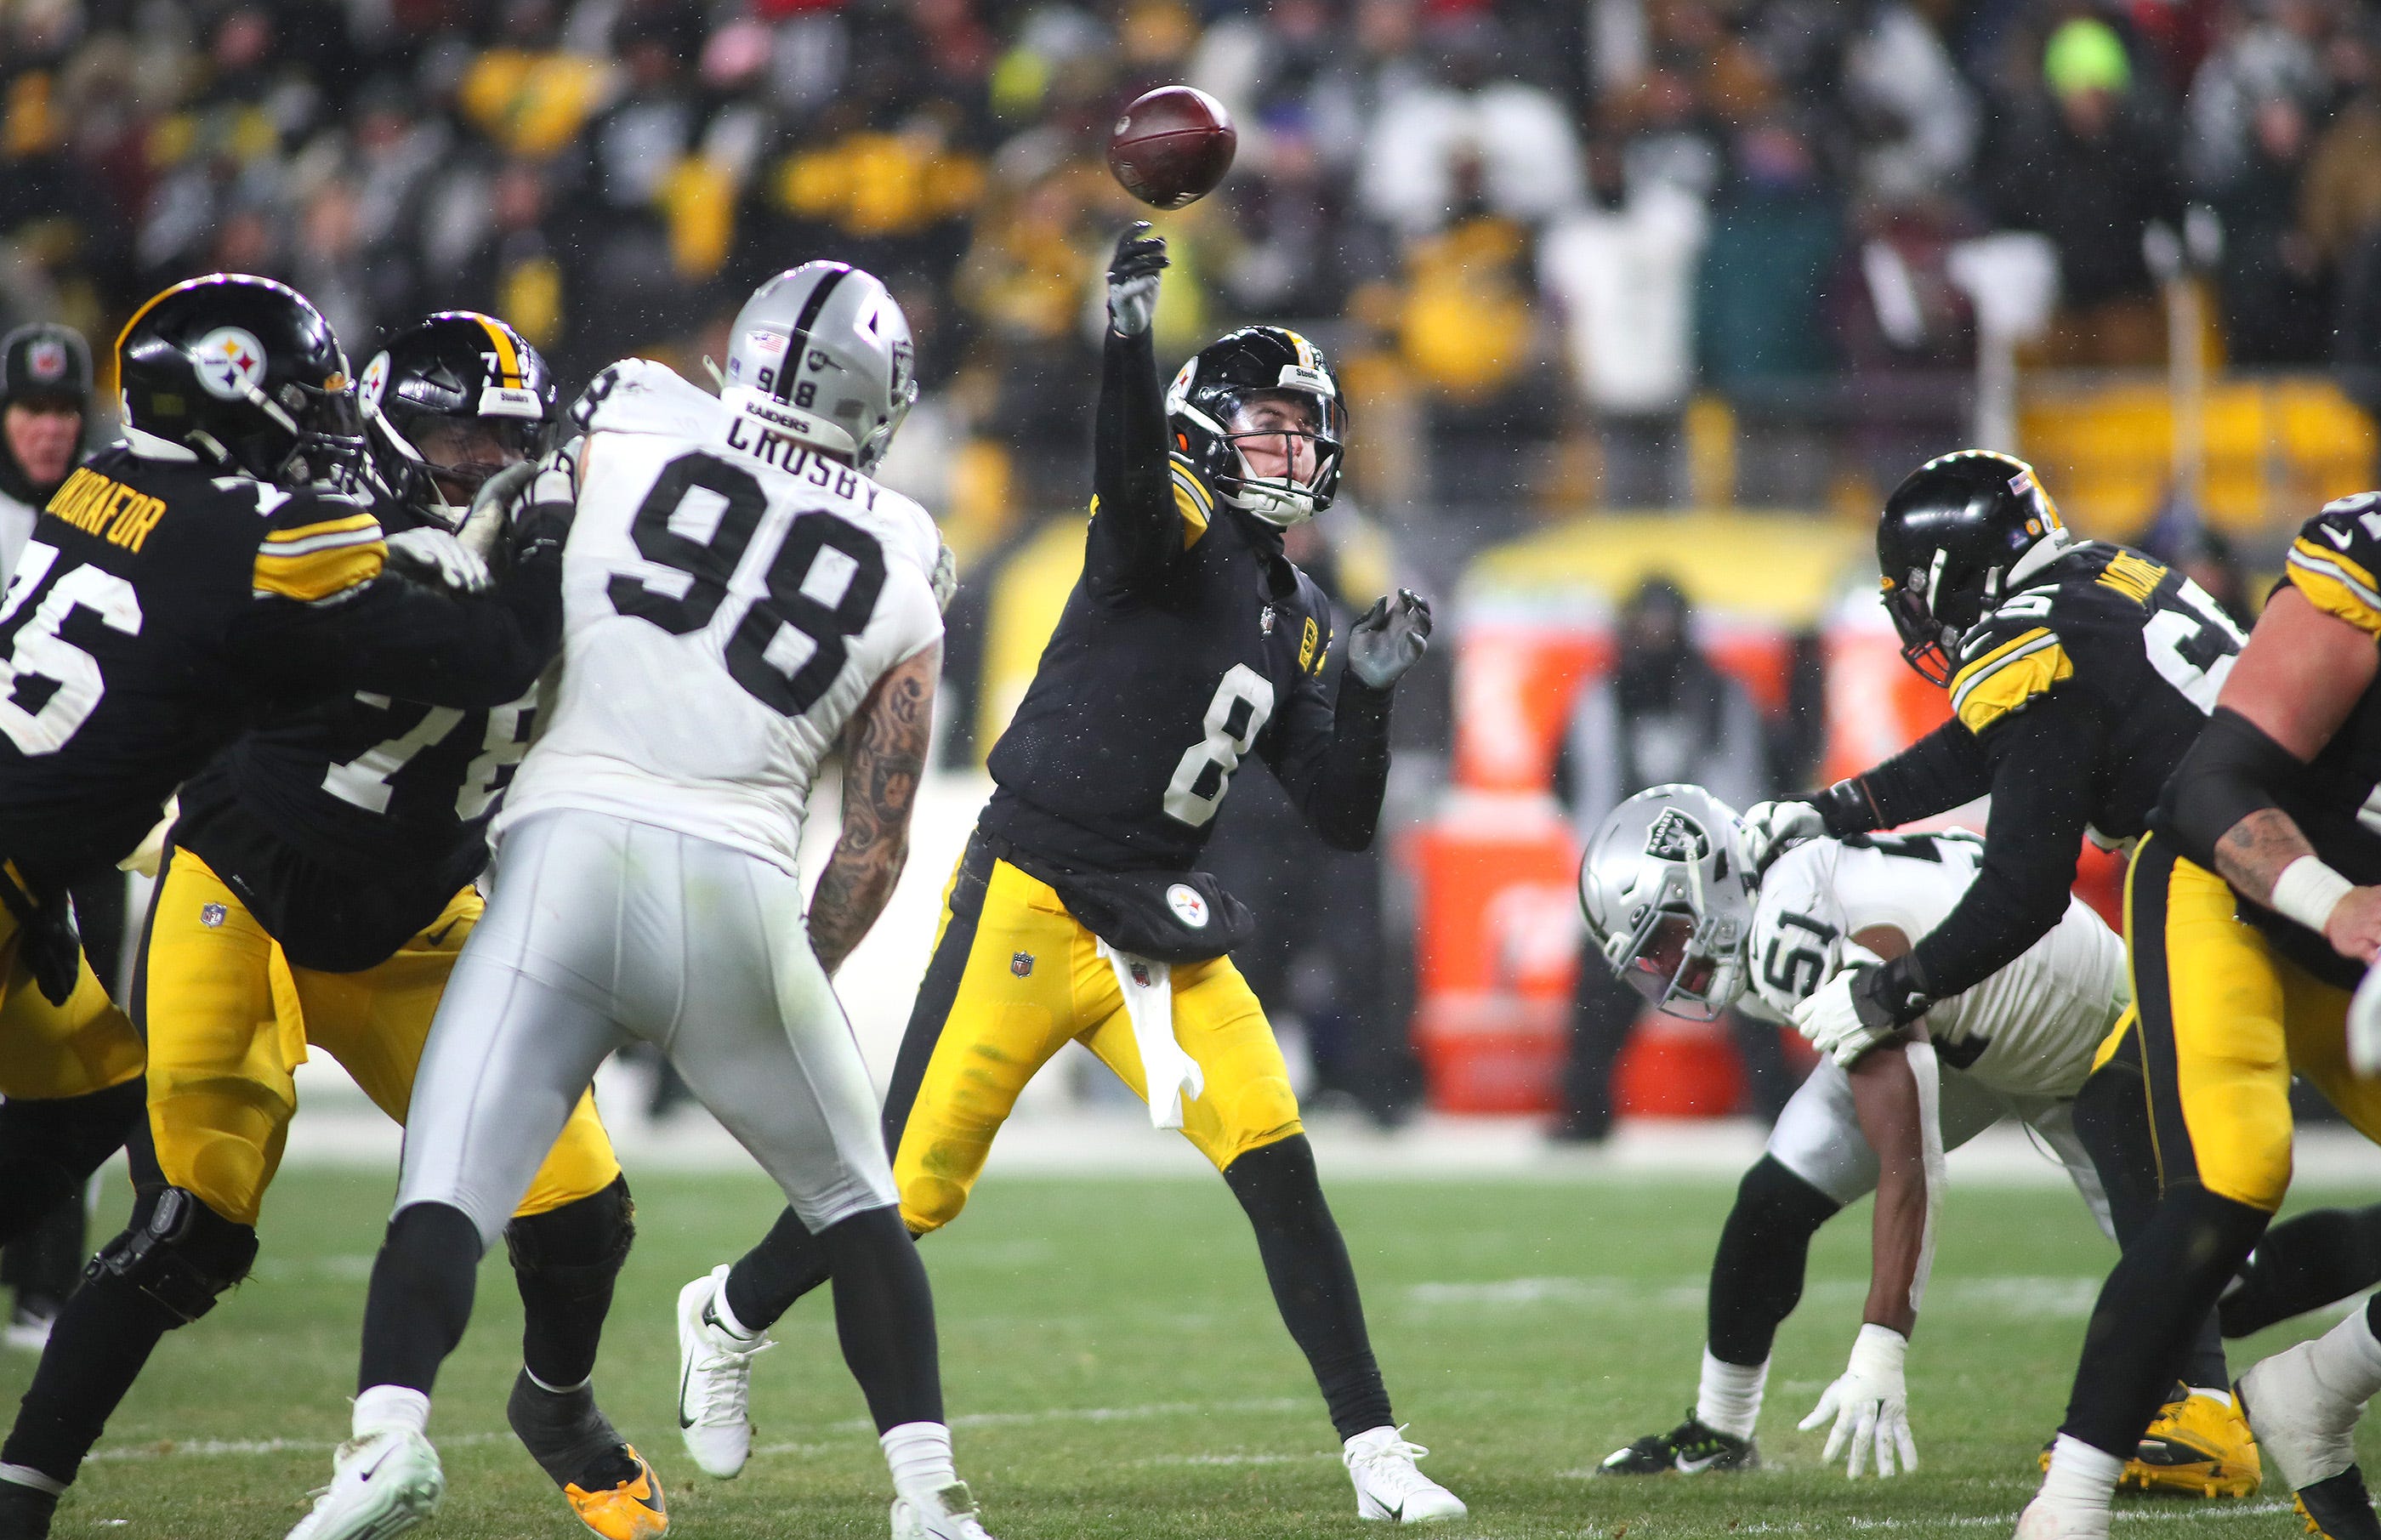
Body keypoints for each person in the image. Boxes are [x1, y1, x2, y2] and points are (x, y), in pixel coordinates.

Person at [673, 226, 1463, 1523]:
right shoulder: (1169, 518)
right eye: (1269, 422)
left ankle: (1375, 1446)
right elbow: (1135, 489)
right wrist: (1125, 340)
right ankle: (731, 1307)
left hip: (1156, 921)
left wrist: (1368, 698)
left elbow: (1340, 814)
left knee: (1276, 1156)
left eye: (1305, 427)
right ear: (1205, 429)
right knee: (908, 1186)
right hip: (1030, 895)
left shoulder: (1300, 607)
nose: (1296, 448)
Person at [283, 262, 986, 1540]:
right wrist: (785, 972)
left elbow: (487, 566)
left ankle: (385, 1432)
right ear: (881, 401)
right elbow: (874, 841)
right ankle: (929, 1492)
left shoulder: (638, 408)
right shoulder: (905, 547)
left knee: (444, 1186)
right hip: (738, 880)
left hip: (559, 853)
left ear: (754, 349)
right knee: (857, 1204)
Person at [0, 311, 656, 1540]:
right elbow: (481, 650)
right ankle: (23, 1485)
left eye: (507, 438)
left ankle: (555, 1403)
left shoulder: (561, 553)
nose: (482, 462)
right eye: (458, 433)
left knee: (580, 1208)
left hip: (416, 911)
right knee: (187, 1224)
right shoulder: (311, 538)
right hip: (242, 884)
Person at [1741, 450, 2258, 1497]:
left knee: (2128, 1109)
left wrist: (1891, 988)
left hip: (2252, 875)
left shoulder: (2030, 640)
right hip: (2281, 843)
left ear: (1947, 574)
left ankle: (2207, 1399)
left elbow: (2024, 887)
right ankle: (2205, 1380)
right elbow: (1994, 748)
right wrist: (1836, 807)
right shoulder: (2097, 579)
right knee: (2130, 1111)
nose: (1910, 618)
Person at [2018, 488, 2381, 1540]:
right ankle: (2069, 1503)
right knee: (2236, 1171)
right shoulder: (2361, 567)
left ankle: (2323, 1383)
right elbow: (2213, 786)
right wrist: (2334, 901)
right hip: (2233, 884)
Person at [1586, 787, 2132, 1480]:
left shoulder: (1791, 928)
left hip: (2079, 1027)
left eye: (1667, 937)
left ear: (1711, 886)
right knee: (1770, 1204)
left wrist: (1882, 1345)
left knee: (2204, 1272)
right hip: (1951, 1023)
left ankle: (2257, 1379)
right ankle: (1719, 1433)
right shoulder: (1764, 895)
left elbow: (1911, 1158)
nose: (1668, 967)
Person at [1550, 577, 1789, 1140]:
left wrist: (1727, 864)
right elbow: (1570, 781)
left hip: (1714, 877)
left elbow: (1757, 780)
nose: (1655, 635)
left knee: (1753, 998)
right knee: (1598, 999)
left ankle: (1780, 1109)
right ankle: (1585, 1113)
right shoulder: (1603, 693)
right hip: (1632, 882)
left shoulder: (1723, 694)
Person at [0, 322, 115, 1354]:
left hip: (88, 821)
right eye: (30, 409)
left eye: (62, 410)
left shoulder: (111, 510)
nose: (47, 429)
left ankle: (47, 1281)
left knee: (83, 1056)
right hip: (10, 816)